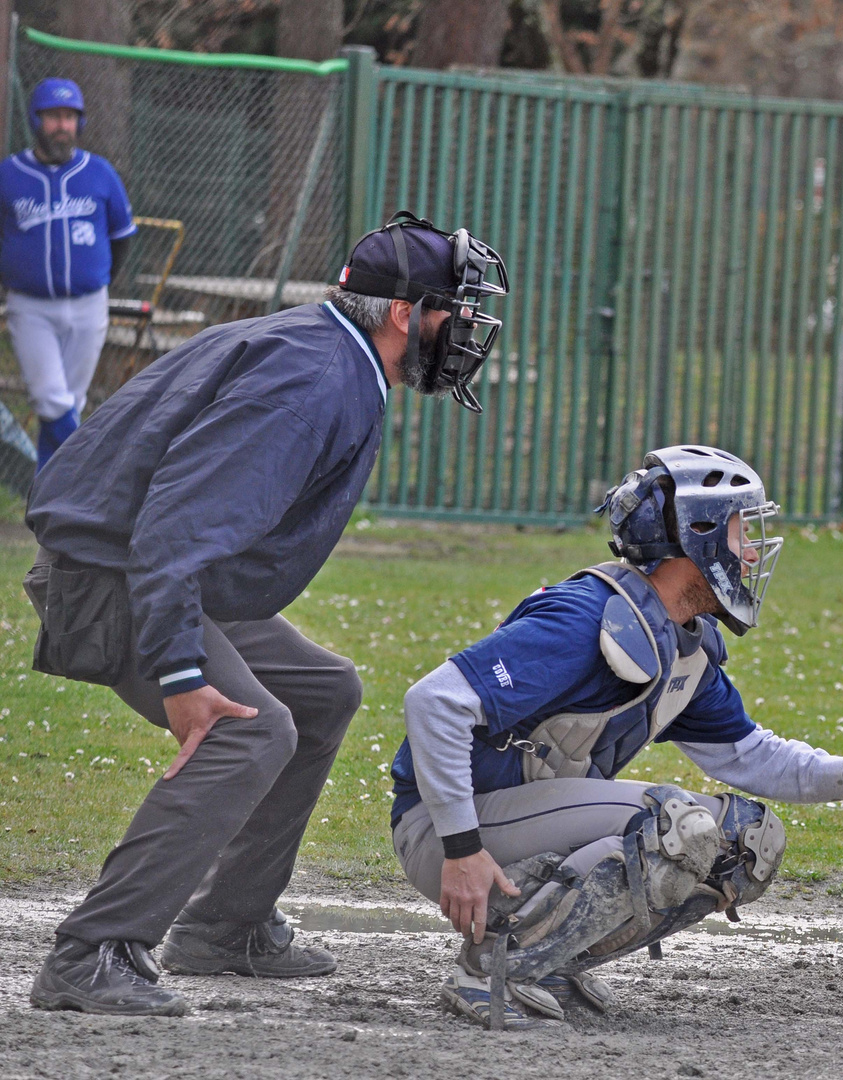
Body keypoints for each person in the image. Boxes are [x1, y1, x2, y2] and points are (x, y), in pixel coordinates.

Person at [23, 211, 509, 1017]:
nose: (461, 330)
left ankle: (226, 924)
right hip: (113, 574)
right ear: (401, 314)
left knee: (323, 690)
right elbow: (175, 527)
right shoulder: (315, 378)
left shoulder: (323, 352)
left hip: (146, 564)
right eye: (449, 311)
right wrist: (181, 672)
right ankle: (92, 952)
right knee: (248, 727)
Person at [389, 445, 843, 1028]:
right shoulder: (585, 617)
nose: (754, 551)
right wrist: (461, 851)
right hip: (446, 832)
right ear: (698, 537)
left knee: (748, 841)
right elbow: (433, 703)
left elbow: (748, 755)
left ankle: (551, 959)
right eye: (742, 531)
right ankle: (492, 969)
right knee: (678, 825)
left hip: (505, 828)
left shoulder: (681, 642)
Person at [1, 78, 134, 468]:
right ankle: (91, 474)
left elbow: (121, 237)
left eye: (70, 117)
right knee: (50, 398)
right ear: (36, 120)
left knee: (68, 403)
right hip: (30, 306)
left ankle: (47, 506)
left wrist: (99, 279)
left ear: (80, 122)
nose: (62, 125)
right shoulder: (9, 175)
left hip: (88, 304)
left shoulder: (100, 173)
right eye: (54, 117)